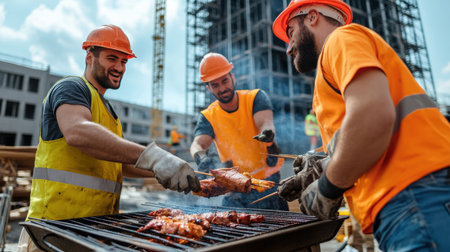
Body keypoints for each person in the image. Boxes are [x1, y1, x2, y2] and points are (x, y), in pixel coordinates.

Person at [272, 0, 450, 251]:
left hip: (414, 197)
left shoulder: (339, 40)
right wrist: (320, 166)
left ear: (312, 17)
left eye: (290, 33)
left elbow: (371, 116)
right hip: (413, 200)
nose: (288, 48)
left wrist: (327, 187)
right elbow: (357, 135)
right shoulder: (334, 66)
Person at [18, 24, 200, 251]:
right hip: (53, 231)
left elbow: (121, 164)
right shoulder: (71, 87)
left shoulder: (109, 113)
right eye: (111, 58)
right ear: (89, 57)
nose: (119, 67)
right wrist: (154, 157)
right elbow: (77, 131)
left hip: (94, 231)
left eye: (124, 61)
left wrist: (172, 169)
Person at [190, 52, 288, 210]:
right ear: (209, 88)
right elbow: (198, 143)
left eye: (224, 81)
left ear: (232, 78)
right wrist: (200, 156)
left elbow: (265, 122)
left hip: (266, 184)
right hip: (234, 189)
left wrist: (267, 133)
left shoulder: (255, 97)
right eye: (215, 85)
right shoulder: (209, 116)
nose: (222, 88)